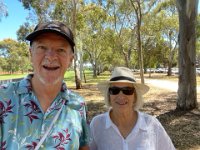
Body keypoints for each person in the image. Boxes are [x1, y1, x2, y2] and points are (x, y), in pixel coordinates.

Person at [0, 21, 89, 150]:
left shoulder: (78, 104)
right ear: (31, 54)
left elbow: (83, 146)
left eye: (61, 50)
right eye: (42, 47)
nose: (51, 56)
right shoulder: (4, 98)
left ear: (71, 59)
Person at [89, 67, 176, 150]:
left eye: (127, 90)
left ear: (135, 96)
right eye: (114, 90)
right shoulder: (97, 125)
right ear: (109, 95)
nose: (121, 96)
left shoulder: (152, 125)